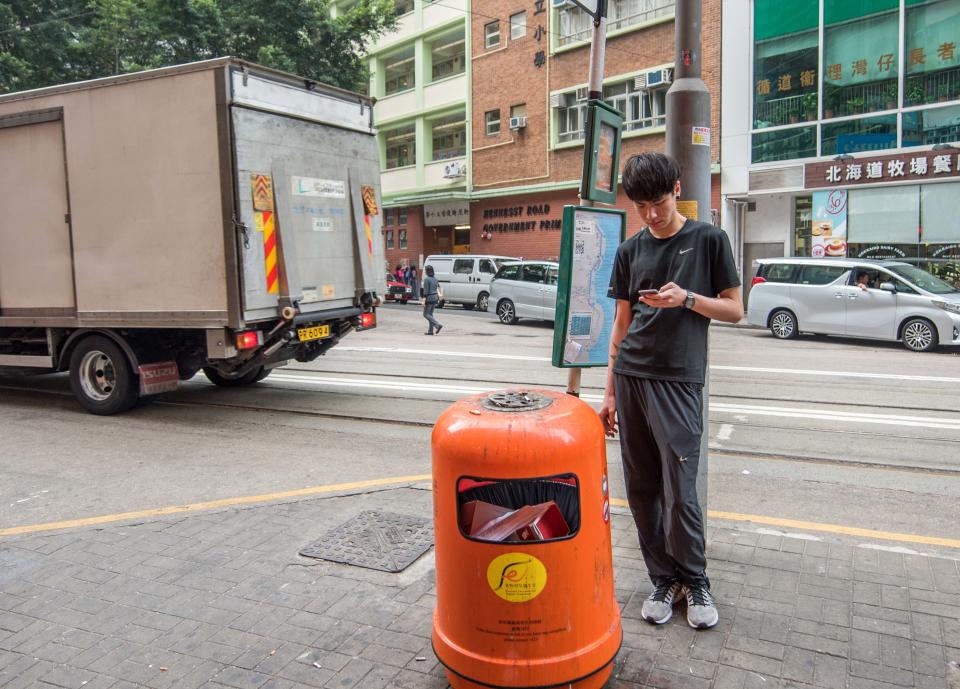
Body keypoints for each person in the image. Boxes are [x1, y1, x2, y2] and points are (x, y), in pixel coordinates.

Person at [599, 152, 743, 630]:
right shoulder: (629, 250)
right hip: (631, 377)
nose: (651, 214)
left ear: (677, 189)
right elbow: (621, 325)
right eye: (641, 206)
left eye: (657, 202)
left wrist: (687, 299)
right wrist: (609, 394)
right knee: (641, 490)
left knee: (681, 490)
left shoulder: (708, 240)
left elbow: (735, 310)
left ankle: (695, 579)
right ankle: (663, 578)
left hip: (679, 380)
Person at [421, 265, 443, 335]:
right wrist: (440, 297)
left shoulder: (427, 279)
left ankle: (437, 325)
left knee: (425, 314)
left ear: (427, 271)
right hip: (435, 297)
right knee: (430, 314)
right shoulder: (435, 279)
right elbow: (439, 288)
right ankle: (430, 331)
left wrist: (423, 301)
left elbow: (426, 291)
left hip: (429, 298)